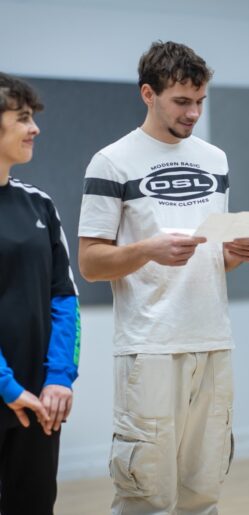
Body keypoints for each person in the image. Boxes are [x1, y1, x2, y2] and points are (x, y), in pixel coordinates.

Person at [78, 40, 249, 515]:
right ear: (148, 94)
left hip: (213, 341)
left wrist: (233, 254)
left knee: (204, 495)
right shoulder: (111, 161)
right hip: (149, 348)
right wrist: (147, 250)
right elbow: (91, 263)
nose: (193, 112)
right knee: (146, 497)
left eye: (200, 101)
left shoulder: (215, 159)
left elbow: (210, 259)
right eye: (182, 101)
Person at [0, 72, 80, 515]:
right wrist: (6, 385)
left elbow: (64, 298)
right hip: (11, 392)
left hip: (37, 404)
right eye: (23, 118)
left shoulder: (40, 205)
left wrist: (58, 378)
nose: (35, 129)